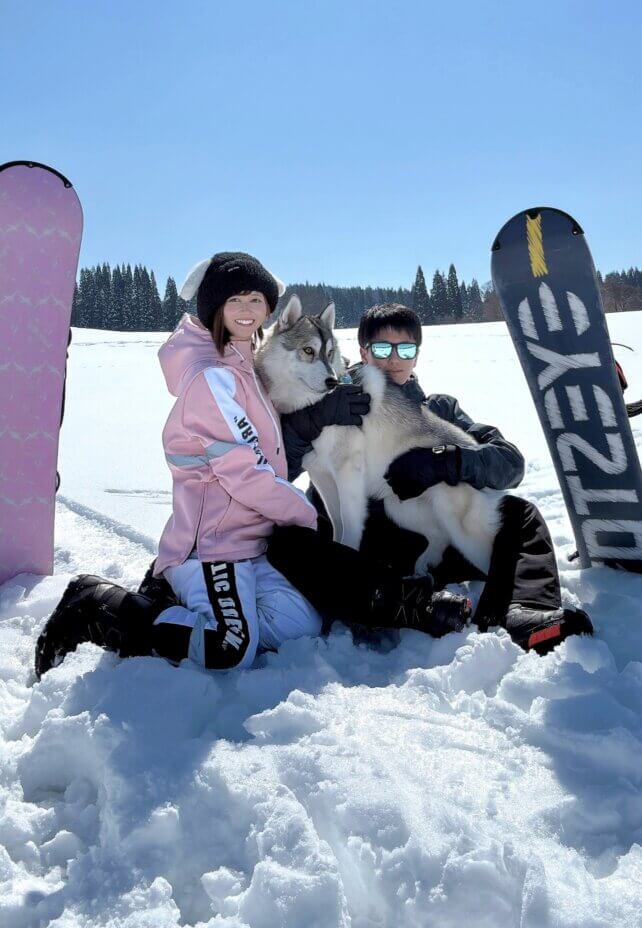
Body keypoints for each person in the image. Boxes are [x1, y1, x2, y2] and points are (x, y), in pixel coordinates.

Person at [35, 252, 370, 679]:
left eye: (255, 300)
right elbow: (247, 474)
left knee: (299, 625)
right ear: (215, 308)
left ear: (269, 308)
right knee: (232, 648)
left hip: (251, 543)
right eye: (235, 301)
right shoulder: (214, 377)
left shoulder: (245, 366)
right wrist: (306, 516)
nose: (247, 310)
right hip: (212, 546)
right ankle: (98, 604)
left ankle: (183, 606)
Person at [267, 302, 593, 654]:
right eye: (381, 348)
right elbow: (274, 476)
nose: (394, 359)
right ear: (362, 351)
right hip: (363, 556)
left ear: (417, 356)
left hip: (435, 543)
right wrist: (306, 425)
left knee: (519, 515)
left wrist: (445, 461)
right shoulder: (320, 397)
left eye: (405, 349)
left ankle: (528, 611)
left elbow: (509, 463)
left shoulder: (439, 409)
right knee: (283, 539)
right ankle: (415, 606)